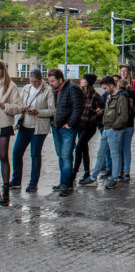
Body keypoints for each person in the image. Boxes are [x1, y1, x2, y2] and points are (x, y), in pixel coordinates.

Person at [79, 76, 129, 189]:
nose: (104, 90)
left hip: (113, 129)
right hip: (107, 128)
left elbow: (123, 116)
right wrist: (102, 111)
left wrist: (114, 127)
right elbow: (113, 112)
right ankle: (93, 177)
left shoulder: (121, 97)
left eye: (105, 88)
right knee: (101, 153)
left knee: (114, 154)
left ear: (111, 85)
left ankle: (114, 178)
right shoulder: (111, 96)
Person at [10, 69, 55, 193]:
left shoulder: (47, 90)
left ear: (41, 79)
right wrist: (22, 108)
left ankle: (33, 183)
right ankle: (16, 180)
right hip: (25, 124)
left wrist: (38, 112)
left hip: (38, 127)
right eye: (31, 81)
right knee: (16, 152)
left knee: (35, 154)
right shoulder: (26, 88)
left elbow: (52, 111)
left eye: (36, 82)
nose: (33, 84)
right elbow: (18, 103)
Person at [48, 68, 84, 197]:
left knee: (66, 156)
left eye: (52, 81)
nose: (50, 83)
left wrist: (70, 124)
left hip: (67, 128)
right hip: (56, 127)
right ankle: (64, 182)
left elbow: (78, 108)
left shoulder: (72, 88)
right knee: (61, 156)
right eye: (49, 81)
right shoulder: (55, 91)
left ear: (60, 80)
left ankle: (66, 185)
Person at [72, 74, 104, 183]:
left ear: (87, 82)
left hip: (89, 126)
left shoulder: (94, 95)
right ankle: (86, 172)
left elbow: (102, 108)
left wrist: (95, 114)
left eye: (83, 79)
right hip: (80, 125)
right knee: (84, 149)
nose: (81, 81)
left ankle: (74, 173)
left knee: (79, 148)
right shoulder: (80, 94)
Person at [0, 62, 24, 204]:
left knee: (3, 156)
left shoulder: (11, 86)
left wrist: (3, 105)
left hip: (3, 124)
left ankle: (6, 190)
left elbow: (19, 107)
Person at [117, 79, 135, 180]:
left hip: (119, 125)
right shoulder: (133, 94)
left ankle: (118, 171)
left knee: (117, 150)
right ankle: (127, 171)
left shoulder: (118, 94)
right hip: (129, 124)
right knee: (127, 149)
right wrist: (131, 116)